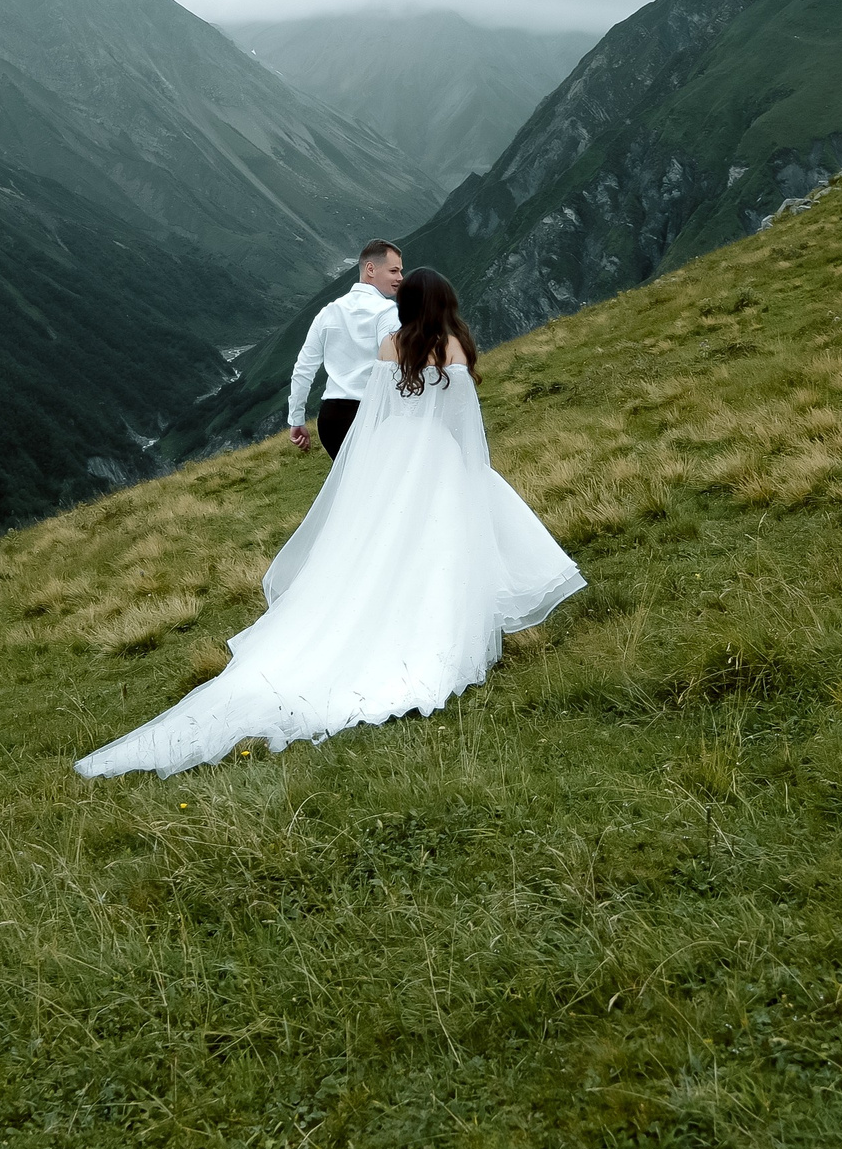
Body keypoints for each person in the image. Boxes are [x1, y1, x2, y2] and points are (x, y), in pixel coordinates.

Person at [75, 267, 584, 779]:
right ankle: (430, 623)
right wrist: (464, 463)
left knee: (378, 541)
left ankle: (374, 609)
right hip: (435, 454)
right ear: (445, 303)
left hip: (389, 453)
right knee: (437, 541)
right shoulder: (452, 347)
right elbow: (461, 420)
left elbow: (377, 413)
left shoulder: (390, 345)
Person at [287, 240, 404, 459]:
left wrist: (296, 420)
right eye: (393, 270)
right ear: (371, 269)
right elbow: (393, 367)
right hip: (372, 414)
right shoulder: (387, 312)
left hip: (331, 420)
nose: (400, 278)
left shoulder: (327, 312)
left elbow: (303, 368)